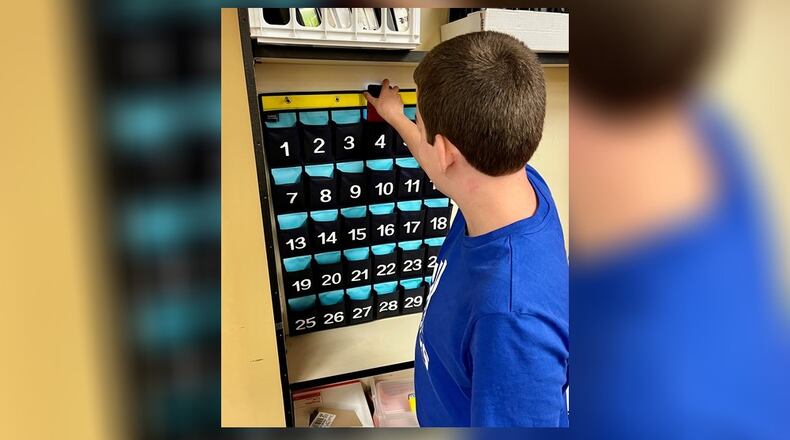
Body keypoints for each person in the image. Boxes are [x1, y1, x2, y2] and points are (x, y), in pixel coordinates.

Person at [364, 31, 569, 427]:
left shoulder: (511, 323)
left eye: (422, 127)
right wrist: (397, 117)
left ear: (447, 152)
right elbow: (439, 160)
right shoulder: (517, 181)